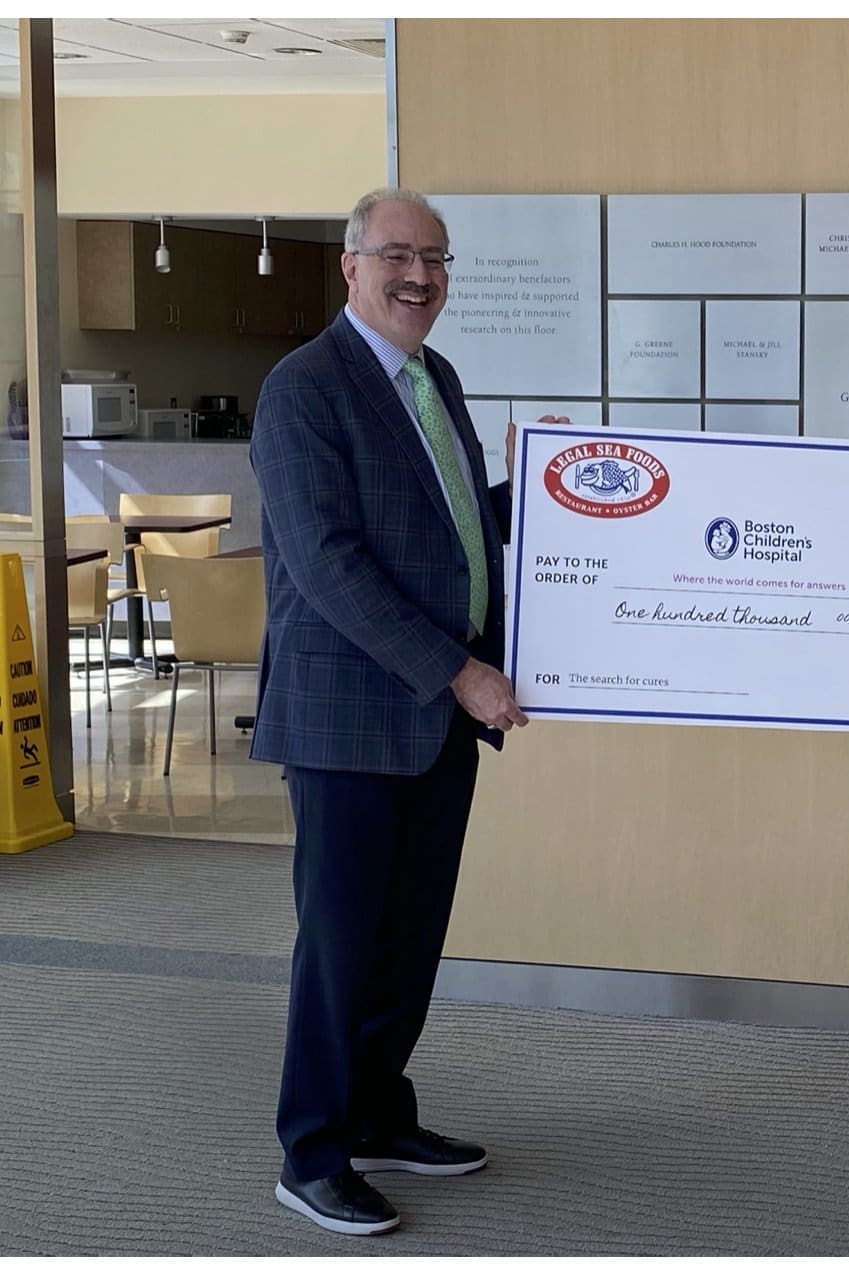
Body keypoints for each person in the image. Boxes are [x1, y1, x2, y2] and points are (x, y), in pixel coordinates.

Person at [250, 187, 534, 1237]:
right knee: (340, 945)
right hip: (350, 718)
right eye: (400, 256)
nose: (421, 277)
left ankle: (376, 1114)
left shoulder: (433, 378)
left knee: (407, 940)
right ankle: (311, 1152)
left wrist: (554, 487)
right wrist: (459, 672)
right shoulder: (302, 391)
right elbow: (328, 565)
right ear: (351, 265)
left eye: (438, 259)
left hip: (434, 719)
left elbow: (453, 528)